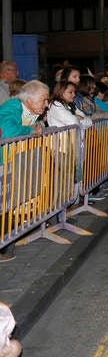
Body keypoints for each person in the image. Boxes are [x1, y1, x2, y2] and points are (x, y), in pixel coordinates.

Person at [0, 80, 49, 262]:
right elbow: (6, 131)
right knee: (4, 202)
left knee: (10, 202)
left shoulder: (28, 110)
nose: (46, 104)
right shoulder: (13, 106)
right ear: (30, 99)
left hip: (13, 161)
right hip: (3, 161)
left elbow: (37, 127)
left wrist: (36, 128)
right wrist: (31, 130)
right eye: (43, 100)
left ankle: (8, 242)